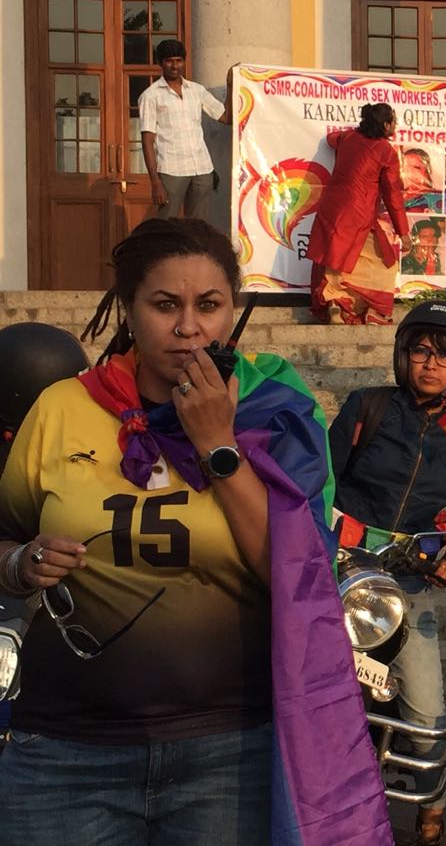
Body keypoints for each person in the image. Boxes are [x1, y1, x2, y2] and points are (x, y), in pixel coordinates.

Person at [0, 218, 391, 844]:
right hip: (65, 754)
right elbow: (7, 536)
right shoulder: (62, 408)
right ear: (128, 310)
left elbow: (294, 573)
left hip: (227, 754)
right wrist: (20, 563)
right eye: (164, 305)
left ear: (232, 310)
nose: (189, 328)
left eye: (209, 305)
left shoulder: (275, 411)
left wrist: (216, 442)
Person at [329, 301, 446, 846]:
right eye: (421, 350)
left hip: (413, 583)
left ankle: (432, 807)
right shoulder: (366, 406)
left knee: (426, 711)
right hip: (345, 576)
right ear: (403, 355)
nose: (431, 364)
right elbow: (321, 484)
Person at [306, 103, 410, 325]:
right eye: (393, 121)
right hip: (359, 212)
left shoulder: (348, 139)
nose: (396, 125)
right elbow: (393, 195)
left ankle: (334, 303)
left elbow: (331, 138)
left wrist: (354, 133)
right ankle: (375, 311)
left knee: (336, 258)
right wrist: (404, 232)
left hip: (332, 208)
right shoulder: (386, 151)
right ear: (385, 125)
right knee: (385, 263)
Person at [138, 39, 231, 223]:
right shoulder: (150, 96)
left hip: (202, 168)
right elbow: (147, 141)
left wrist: (230, 85)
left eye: (179, 60)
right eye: (169, 61)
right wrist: (155, 182)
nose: (175, 66)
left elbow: (226, 118)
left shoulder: (197, 90)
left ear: (184, 61)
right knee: (167, 226)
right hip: (171, 170)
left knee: (198, 226)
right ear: (161, 63)